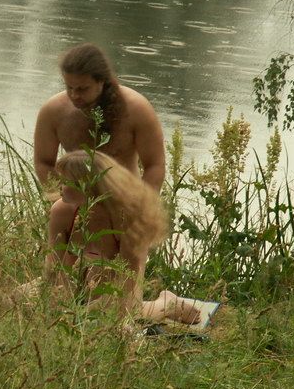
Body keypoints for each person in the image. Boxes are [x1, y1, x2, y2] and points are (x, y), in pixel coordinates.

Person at [44, 150, 201, 325]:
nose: (59, 185)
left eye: (65, 181)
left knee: (110, 316)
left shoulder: (126, 217)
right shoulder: (61, 211)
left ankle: (166, 304)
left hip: (117, 276)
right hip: (79, 273)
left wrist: (95, 309)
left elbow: (128, 277)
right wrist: (63, 305)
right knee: (26, 295)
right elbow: (54, 266)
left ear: (88, 184)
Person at [34, 43, 165, 193]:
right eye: (69, 87)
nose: (74, 95)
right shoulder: (53, 111)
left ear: (101, 81)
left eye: (83, 89)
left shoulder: (137, 109)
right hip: (75, 200)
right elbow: (43, 163)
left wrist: (140, 203)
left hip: (123, 197)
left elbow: (154, 165)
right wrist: (62, 198)